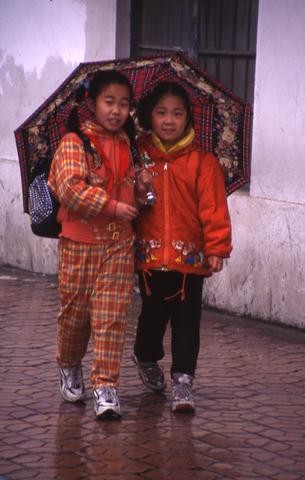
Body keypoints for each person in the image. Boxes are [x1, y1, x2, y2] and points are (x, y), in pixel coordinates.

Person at [132, 81, 232, 413]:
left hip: (190, 263)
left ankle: (183, 381)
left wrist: (217, 247)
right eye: (161, 112)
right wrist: (137, 186)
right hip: (149, 262)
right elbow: (127, 202)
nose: (169, 120)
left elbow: (214, 208)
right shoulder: (139, 157)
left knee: (187, 324)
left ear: (188, 118)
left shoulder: (204, 163)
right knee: (151, 321)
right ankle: (146, 358)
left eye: (177, 113)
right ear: (150, 116)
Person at [48, 70, 139, 420]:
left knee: (111, 317)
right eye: (109, 102)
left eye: (124, 104)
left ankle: (106, 386)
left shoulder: (129, 144)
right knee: (75, 316)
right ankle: (69, 364)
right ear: (92, 103)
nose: (116, 111)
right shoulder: (74, 142)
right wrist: (114, 205)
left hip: (119, 244)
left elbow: (129, 191)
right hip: (79, 243)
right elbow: (69, 190)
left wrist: (139, 187)